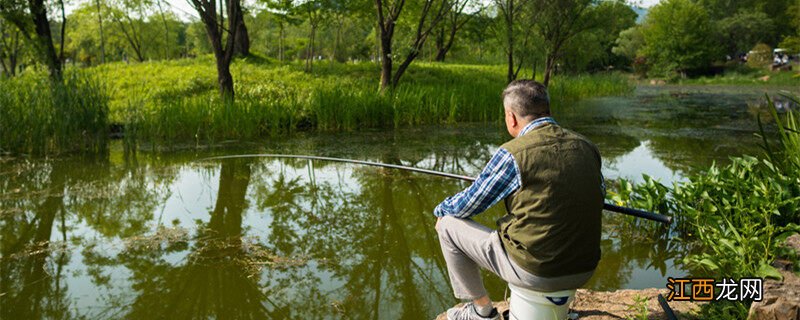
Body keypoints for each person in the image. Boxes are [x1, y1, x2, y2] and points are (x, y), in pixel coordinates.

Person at [434, 80, 604, 320]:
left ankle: (482, 311)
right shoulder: (587, 147)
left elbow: (468, 205)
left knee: (446, 223)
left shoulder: (513, 153)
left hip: (537, 271)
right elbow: (598, 194)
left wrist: (440, 209)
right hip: (584, 268)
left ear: (511, 117)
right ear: (548, 111)